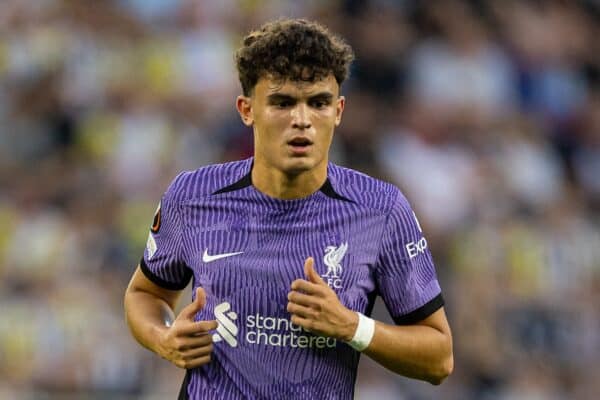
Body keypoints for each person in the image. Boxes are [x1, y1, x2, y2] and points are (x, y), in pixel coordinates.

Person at [124, 18, 453, 400]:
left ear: (339, 111)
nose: (302, 120)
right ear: (247, 110)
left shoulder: (381, 210)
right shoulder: (193, 195)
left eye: (318, 103)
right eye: (282, 102)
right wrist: (163, 337)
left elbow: (439, 357)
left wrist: (351, 327)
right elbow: (145, 294)